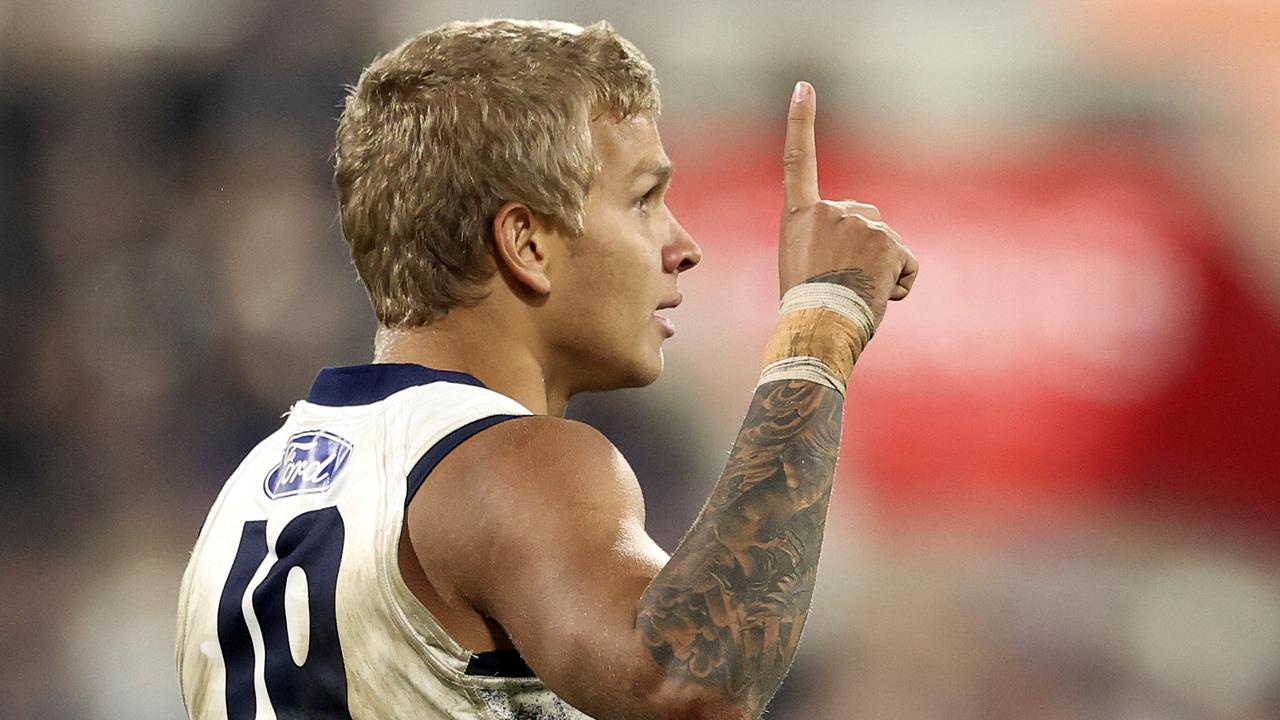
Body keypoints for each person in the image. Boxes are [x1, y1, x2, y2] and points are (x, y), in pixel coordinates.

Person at [175, 18, 917, 720]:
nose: (682, 243)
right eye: (645, 200)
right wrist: (823, 319)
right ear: (526, 243)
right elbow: (693, 681)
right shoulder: (510, 464)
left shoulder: (245, 498)